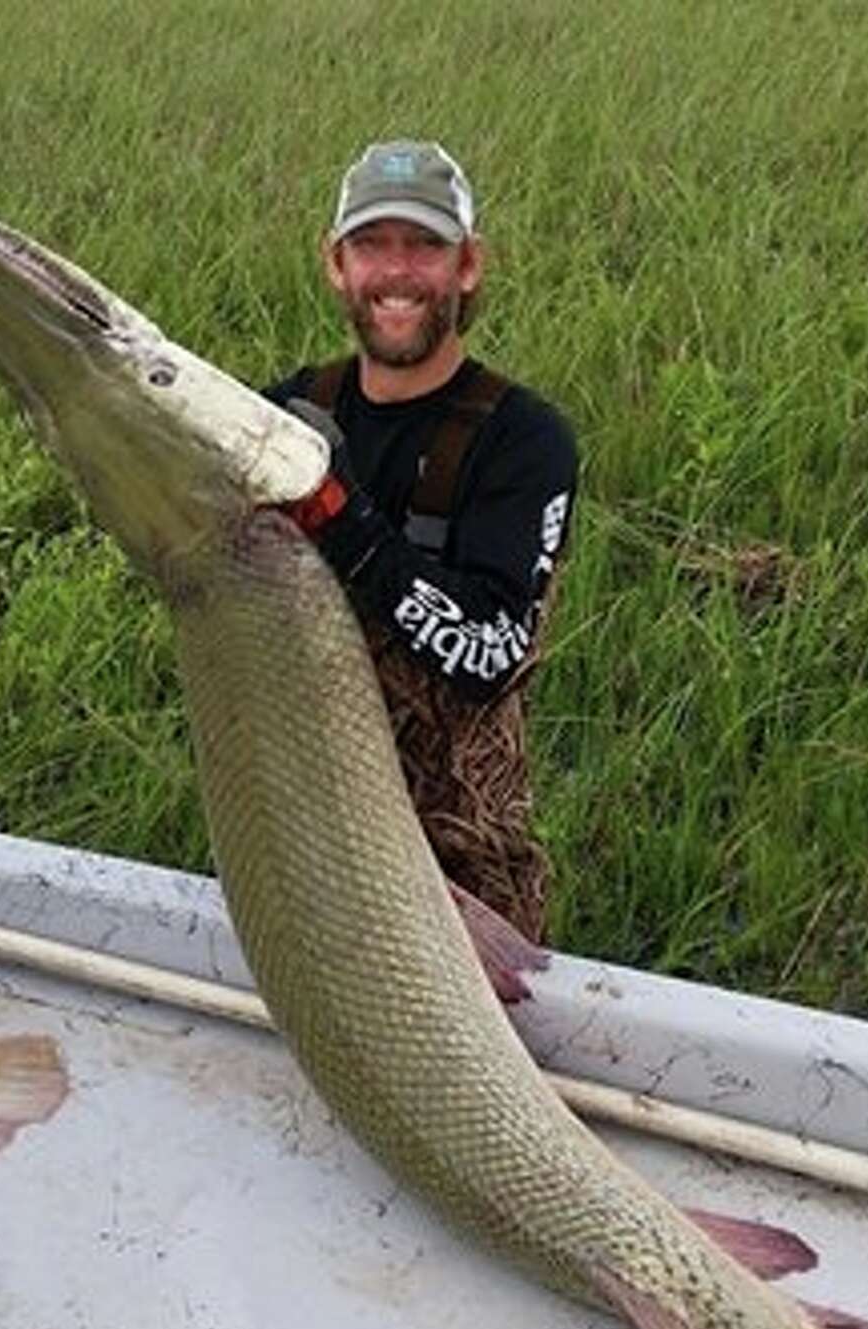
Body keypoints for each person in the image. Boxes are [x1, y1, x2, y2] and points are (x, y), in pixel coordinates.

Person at [266, 140, 577, 943]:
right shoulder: (286, 410)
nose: (397, 272)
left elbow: (490, 653)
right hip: (299, 832)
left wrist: (343, 518)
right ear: (337, 264)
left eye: (424, 246)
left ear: (467, 265)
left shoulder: (524, 440)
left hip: (463, 873)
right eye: (373, 245)